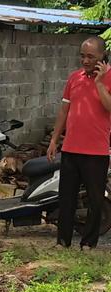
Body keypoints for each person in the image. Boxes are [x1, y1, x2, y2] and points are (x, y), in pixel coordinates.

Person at [47, 36, 111, 250]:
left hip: (96, 151)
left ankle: (88, 243)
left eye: (91, 56)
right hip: (71, 149)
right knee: (66, 198)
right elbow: (64, 110)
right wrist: (54, 140)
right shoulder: (74, 78)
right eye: (82, 56)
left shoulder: (109, 78)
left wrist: (100, 82)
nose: (85, 60)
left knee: (95, 200)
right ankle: (62, 242)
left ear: (103, 56)